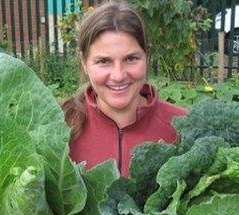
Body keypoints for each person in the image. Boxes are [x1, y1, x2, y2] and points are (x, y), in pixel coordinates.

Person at [63, 1, 187, 178]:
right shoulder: (60, 126)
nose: (118, 75)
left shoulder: (183, 126)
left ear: (146, 57)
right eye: (103, 61)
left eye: (131, 58)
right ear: (84, 62)